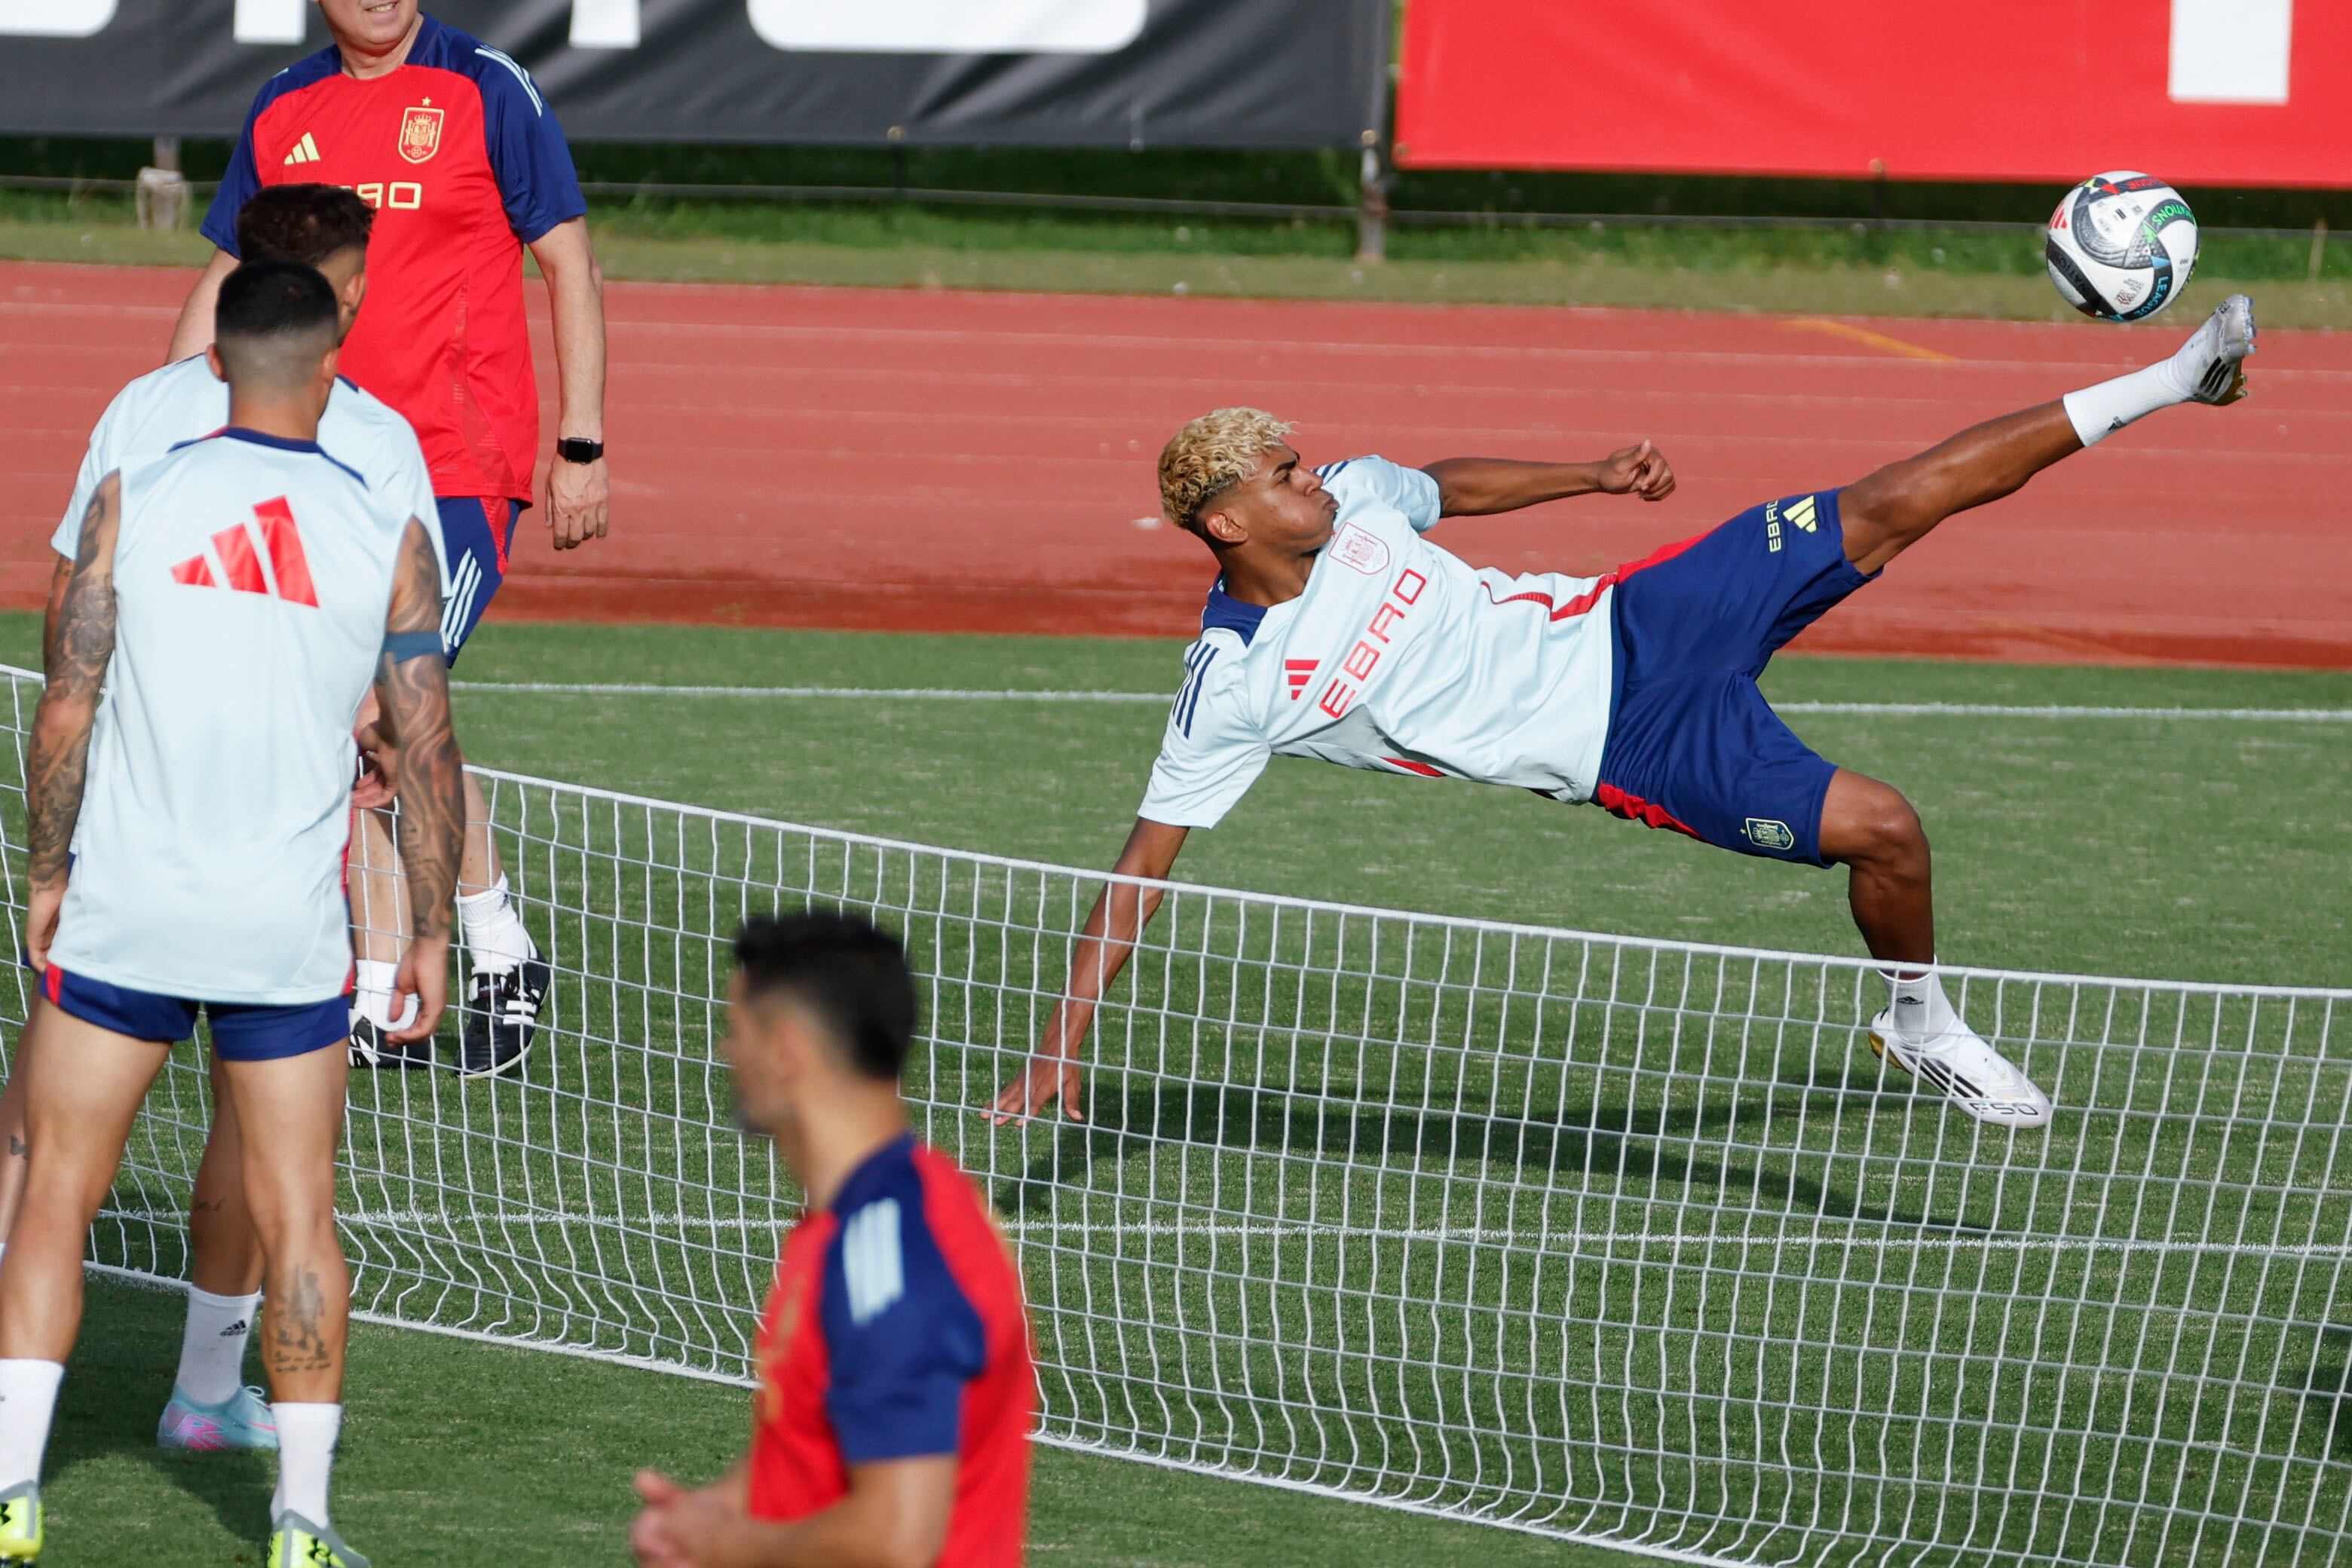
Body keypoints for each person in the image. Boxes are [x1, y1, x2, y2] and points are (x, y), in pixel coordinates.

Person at [993, 296, 2260, 1135]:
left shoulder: (1360, 499)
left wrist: (1589, 474)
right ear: (1227, 523)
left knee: (1890, 500)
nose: (1313, 476)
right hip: (1632, 747)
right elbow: (1143, 865)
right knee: (1886, 831)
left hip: (1644, 616)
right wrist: (1063, 1043)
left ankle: (2172, 375)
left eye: (1304, 458)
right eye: (1283, 475)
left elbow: (1445, 488)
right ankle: (1918, 1019)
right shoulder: (1236, 683)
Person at [0, 260, 466, 1568]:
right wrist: (428, 929)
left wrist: (47, 874)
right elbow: (427, 751)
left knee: (52, 1201)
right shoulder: (387, 526)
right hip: (283, 932)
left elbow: (66, 706)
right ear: (331, 368)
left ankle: (10, 1494)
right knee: (300, 1216)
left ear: (215, 363)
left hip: (130, 909)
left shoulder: (131, 495)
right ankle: (302, 1525)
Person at [165, 0, 611, 1076]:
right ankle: (377, 985)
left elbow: (570, 259)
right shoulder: (286, 108)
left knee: (383, 701)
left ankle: (496, 949)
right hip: (325, 461)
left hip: (459, 471)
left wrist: (582, 444)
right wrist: (169, 423)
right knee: (347, 711)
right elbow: (231, 273)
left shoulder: (485, 88)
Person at [630, 913, 1032, 1568]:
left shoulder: (890, 1253)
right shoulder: (864, 1216)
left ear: (787, 1051)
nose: (727, 1053)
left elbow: (897, 1538)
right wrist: (707, 1514)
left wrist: (726, 1546)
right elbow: (825, 1433)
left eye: (737, 1032)